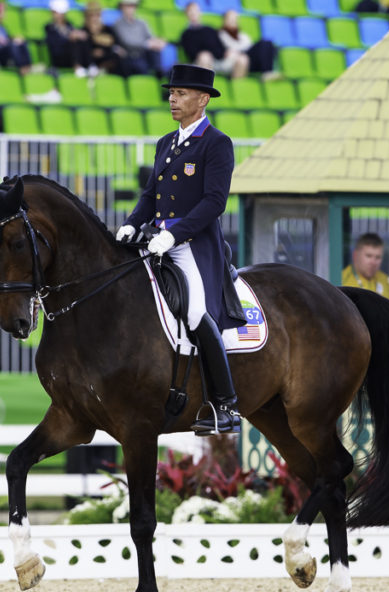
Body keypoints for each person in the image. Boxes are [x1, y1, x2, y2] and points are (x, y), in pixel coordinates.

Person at [115, 64, 245, 435]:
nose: (173, 99)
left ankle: (225, 405)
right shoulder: (165, 143)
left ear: (202, 100)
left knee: (195, 313)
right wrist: (132, 222)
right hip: (155, 238)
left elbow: (214, 202)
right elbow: (151, 195)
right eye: (171, 93)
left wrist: (174, 235)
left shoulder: (216, 144)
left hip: (193, 245)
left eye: (181, 93)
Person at [110, 0, 166, 77]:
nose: (131, 8)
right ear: (121, 7)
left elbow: (150, 37)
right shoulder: (118, 24)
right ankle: (156, 75)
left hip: (144, 54)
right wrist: (147, 44)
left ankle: (158, 73)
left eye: (133, 6)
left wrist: (158, 42)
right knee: (141, 65)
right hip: (130, 56)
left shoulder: (142, 22)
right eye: (128, 6)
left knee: (156, 50)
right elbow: (127, 42)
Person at [341, 232, 389, 304]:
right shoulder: (342, 280)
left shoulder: (384, 280)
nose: (373, 262)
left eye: (378, 257)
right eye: (368, 256)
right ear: (355, 255)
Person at [218, 10, 277, 76]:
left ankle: (268, 72)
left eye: (235, 19)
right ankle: (266, 73)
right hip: (235, 62)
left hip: (247, 58)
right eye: (230, 18)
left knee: (267, 43)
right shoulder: (220, 35)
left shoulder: (243, 36)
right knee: (263, 45)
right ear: (224, 20)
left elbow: (249, 47)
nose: (233, 21)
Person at [0, 1, 33, 74]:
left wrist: (15, 39)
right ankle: (21, 68)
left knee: (22, 42)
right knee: (12, 45)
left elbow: (6, 39)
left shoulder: (2, 27)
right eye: (1, 12)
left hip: (6, 48)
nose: (3, 14)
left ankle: (28, 66)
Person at [45, 0, 90, 76]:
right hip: (59, 57)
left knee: (81, 39)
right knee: (73, 42)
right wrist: (69, 38)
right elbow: (54, 46)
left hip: (70, 56)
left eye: (61, 13)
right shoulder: (49, 27)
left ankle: (89, 65)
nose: (59, 15)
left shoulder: (70, 25)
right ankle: (78, 67)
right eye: (56, 12)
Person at [179, 2, 226, 74]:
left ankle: (238, 84)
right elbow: (191, 54)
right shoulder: (186, 34)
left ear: (200, 12)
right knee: (204, 58)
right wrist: (205, 55)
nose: (193, 13)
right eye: (190, 11)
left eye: (195, 10)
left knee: (241, 59)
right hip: (198, 62)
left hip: (216, 60)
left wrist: (211, 55)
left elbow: (220, 49)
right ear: (186, 14)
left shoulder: (210, 29)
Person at [82, 1, 127, 76]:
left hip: (107, 57)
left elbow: (116, 45)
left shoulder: (108, 29)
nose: (94, 18)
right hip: (92, 59)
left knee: (120, 58)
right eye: (91, 15)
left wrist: (105, 52)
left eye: (97, 15)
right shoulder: (84, 31)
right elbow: (84, 47)